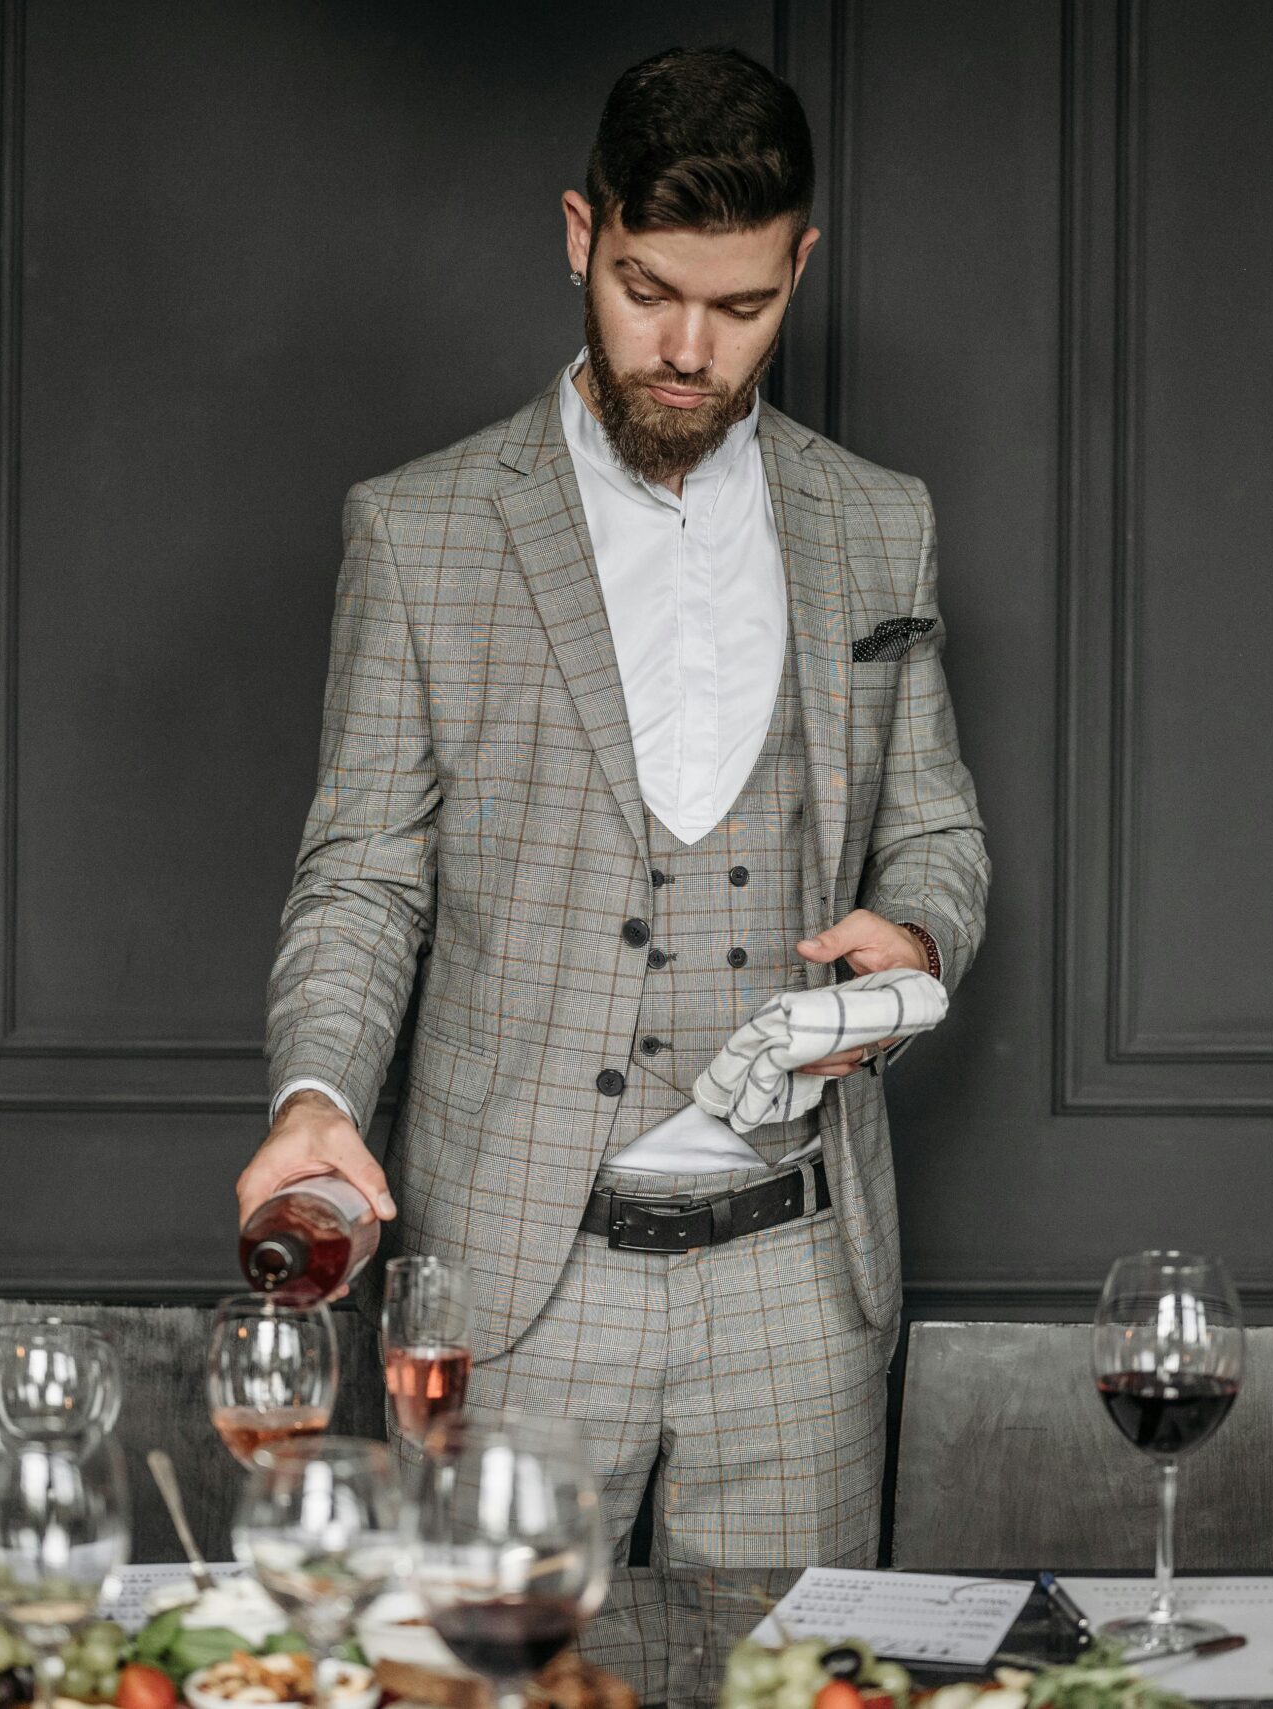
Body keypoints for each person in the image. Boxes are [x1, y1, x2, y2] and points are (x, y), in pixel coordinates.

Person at [243, 44, 988, 1677]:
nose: (688, 348)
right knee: (471, 1688)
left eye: (738, 306)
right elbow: (364, 875)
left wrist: (917, 933)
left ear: (800, 267)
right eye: (651, 289)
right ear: (579, 234)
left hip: (798, 1283)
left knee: (797, 1694)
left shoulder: (880, 523)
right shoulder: (421, 529)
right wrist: (314, 1098)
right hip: (519, 1282)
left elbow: (933, 827)